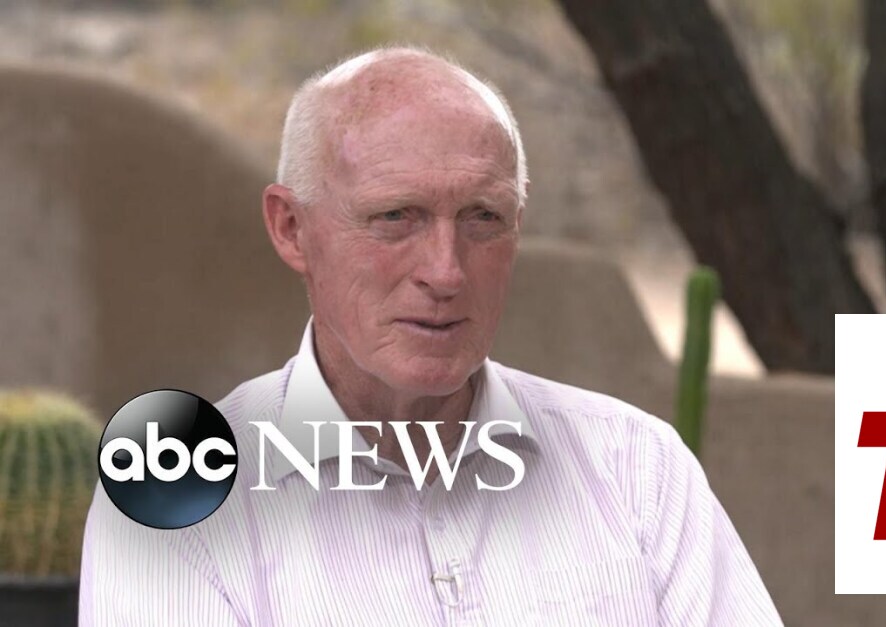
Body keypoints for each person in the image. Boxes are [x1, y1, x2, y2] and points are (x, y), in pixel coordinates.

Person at [79, 46, 782, 625]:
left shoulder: (637, 469)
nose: (445, 271)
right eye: (396, 217)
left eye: (483, 218)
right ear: (291, 229)